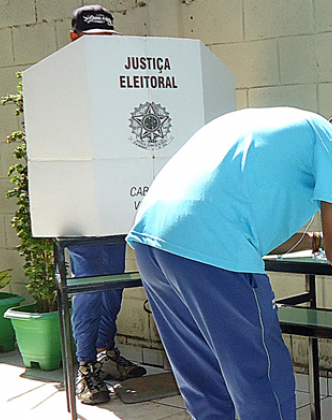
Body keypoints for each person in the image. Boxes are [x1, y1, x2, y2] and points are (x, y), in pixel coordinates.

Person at [127, 107, 332, 420]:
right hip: (213, 247)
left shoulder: (284, 129)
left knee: (205, 383)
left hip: (152, 239)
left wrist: (314, 241)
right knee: (262, 380)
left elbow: (266, 234)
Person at [68, 4, 146, 406]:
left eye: (106, 41)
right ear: (73, 39)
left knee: (112, 288)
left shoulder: (118, 81)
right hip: (80, 205)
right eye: (91, 40)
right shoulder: (61, 82)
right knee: (90, 290)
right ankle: (86, 368)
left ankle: (105, 353)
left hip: (115, 201)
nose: (100, 49)